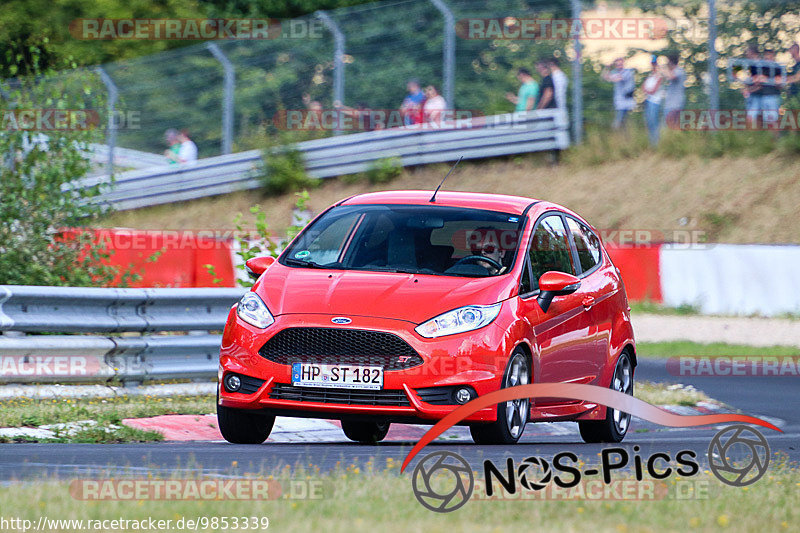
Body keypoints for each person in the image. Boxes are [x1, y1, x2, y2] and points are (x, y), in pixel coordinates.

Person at [602, 57, 636, 130]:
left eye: (620, 64)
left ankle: (625, 137)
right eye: (617, 65)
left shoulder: (628, 72)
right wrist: (607, 68)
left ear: (623, 64)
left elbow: (618, 78)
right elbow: (604, 77)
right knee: (620, 123)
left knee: (623, 123)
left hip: (627, 103)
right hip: (619, 102)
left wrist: (610, 77)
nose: (619, 66)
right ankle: (620, 137)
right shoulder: (615, 72)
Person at [642, 55, 664, 146]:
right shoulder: (650, 76)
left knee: (654, 121)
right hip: (648, 101)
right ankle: (652, 142)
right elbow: (643, 87)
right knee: (649, 122)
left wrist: (647, 90)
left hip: (655, 102)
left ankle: (656, 143)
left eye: (654, 65)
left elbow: (653, 90)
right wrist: (647, 90)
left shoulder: (659, 76)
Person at [757, 48, 782, 127]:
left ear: (773, 56)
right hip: (763, 96)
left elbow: (780, 84)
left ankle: (777, 138)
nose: (767, 56)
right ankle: (769, 138)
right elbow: (758, 82)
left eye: (769, 54)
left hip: (773, 96)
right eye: (766, 54)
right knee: (766, 120)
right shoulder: (762, 68)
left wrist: (767, 80)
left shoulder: (777, 68)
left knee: (773, 119)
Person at [661, 53, 686, 130]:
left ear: (671, 62)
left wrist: (665, 69)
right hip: (670, 104)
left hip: (675, 104)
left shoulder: (679, 71)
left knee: (669, 127)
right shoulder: (674, 71)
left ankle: (673, 141)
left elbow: (671, 77)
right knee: (671, 127)